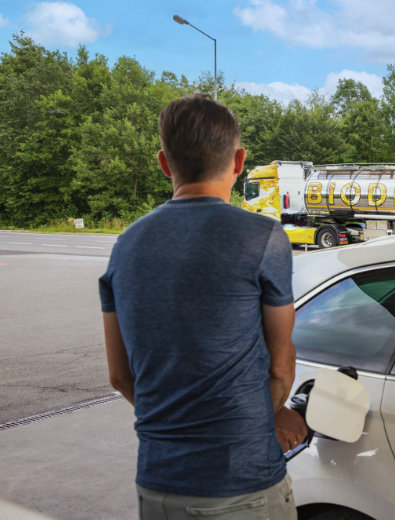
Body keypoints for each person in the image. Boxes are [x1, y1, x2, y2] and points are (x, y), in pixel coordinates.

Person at [100, 93, 306, 519]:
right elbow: (281, 365)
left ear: (164, 163)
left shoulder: (125, 246)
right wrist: (256, 419)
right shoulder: (263, 237)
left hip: (156, 485)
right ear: (239, 160)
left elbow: (120, 376)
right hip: (243, 487)